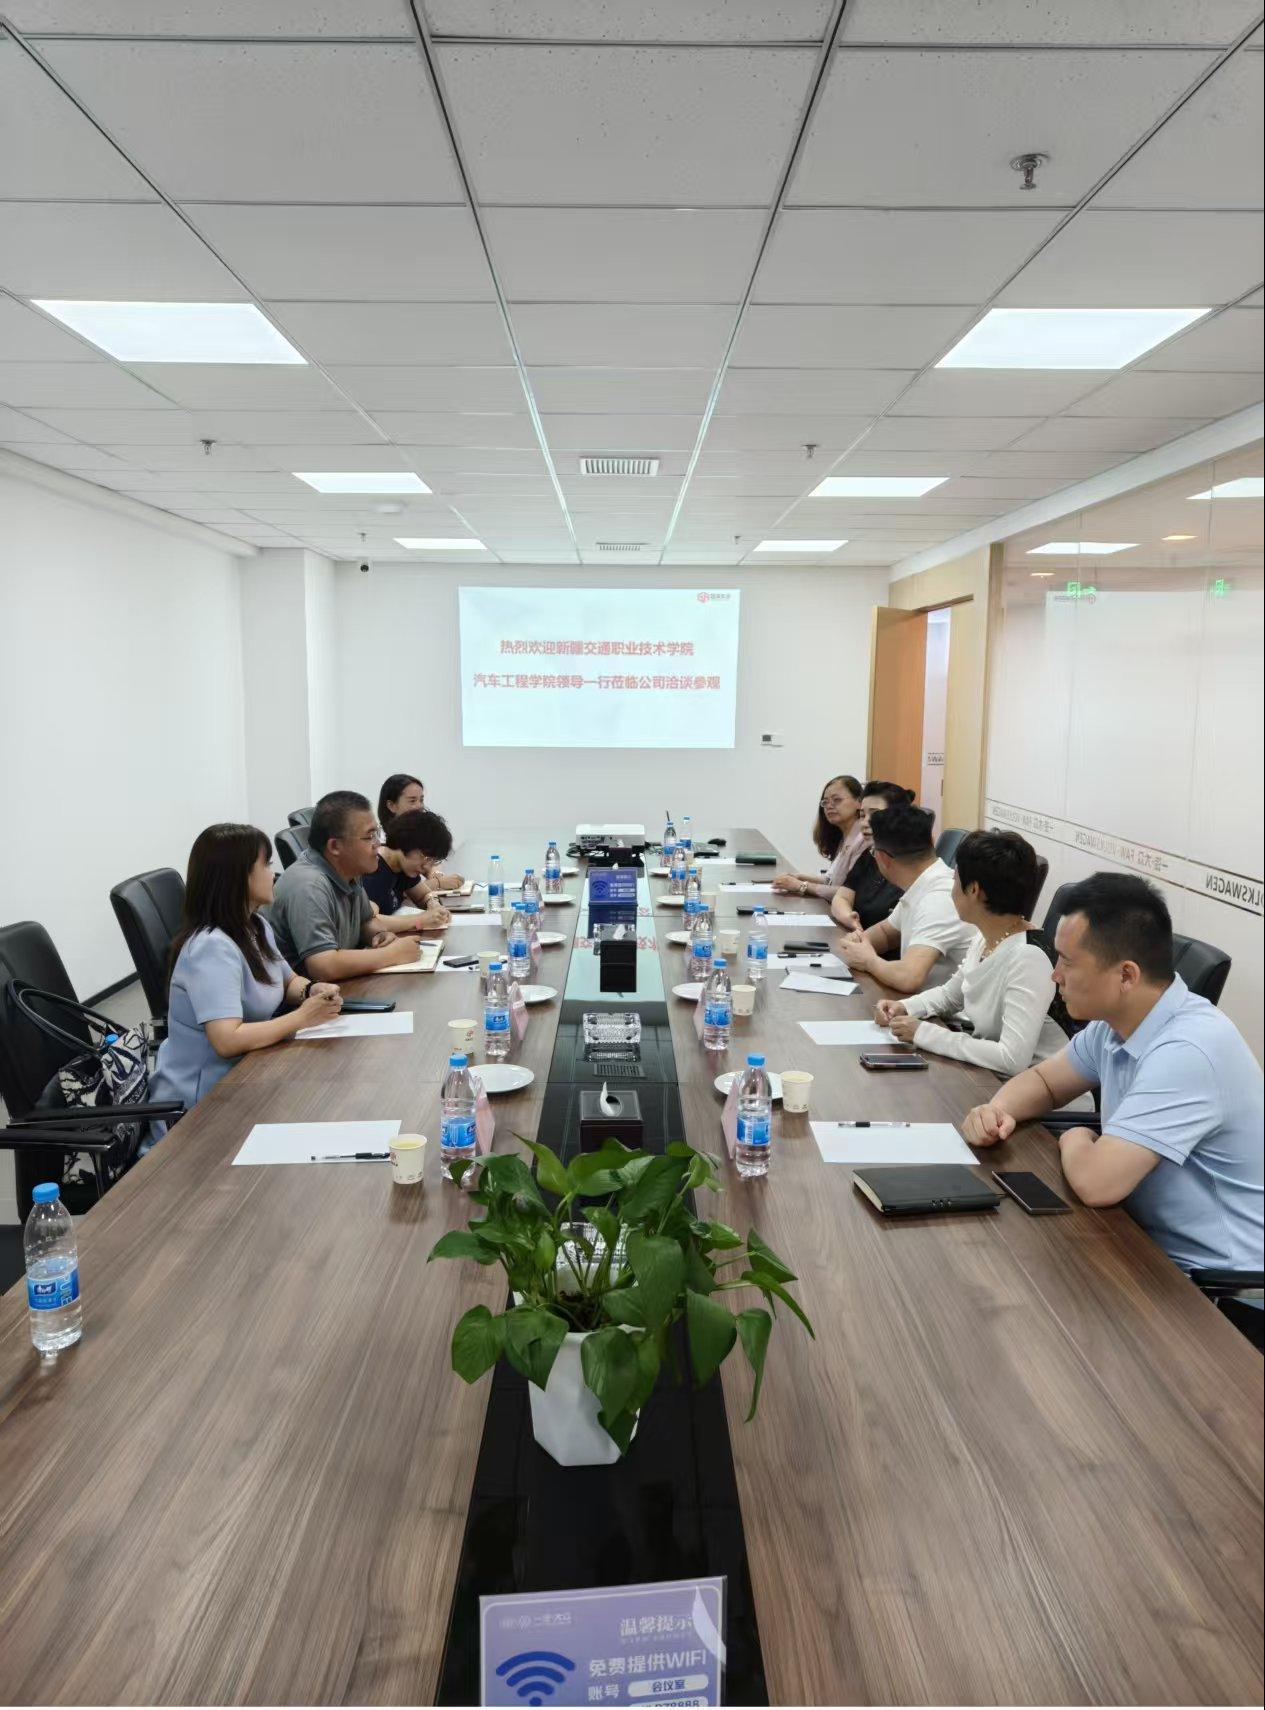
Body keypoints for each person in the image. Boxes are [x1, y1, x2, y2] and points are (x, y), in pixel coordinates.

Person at [963, 872, 1263, 1275]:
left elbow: (1096, 1183)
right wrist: (996, 1112)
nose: (1055, 974)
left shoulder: (1188, 1050)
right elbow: (1044, 1082)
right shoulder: (1115, 1023)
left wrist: (1076, 1137)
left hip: (1215, 1284)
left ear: (1126, 975)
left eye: (1067, 961)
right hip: (1140, 1241)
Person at [148, 824, 344, 1131]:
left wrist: (312, 990)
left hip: (248, 1076)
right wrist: (302, 1018)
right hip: (201, 1109)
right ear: (238, 877)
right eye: (265, 865)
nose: (273, 874)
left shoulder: (254, 926)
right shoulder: (211, 947)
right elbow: (227, 1040)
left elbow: (287, 981)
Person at [874, 829, 1078, 1078]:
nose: (951, 891)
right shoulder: (986, 937)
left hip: (1037, 1093)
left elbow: (1011, 1059)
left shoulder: (1028, 958)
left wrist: (924, 1033)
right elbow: (950, 996)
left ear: (974, 890)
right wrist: (905, 1007)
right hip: (991, 1078)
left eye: (955, 881)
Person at [267, 790, 428, 980]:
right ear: (335, 846)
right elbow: (323, 966)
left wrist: (380, 935)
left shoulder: (349, 871)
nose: (378, 844)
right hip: (308, 994)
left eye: (376, 833)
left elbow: (366, 922)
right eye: (369, 837)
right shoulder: (310, 885)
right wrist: (392, 954)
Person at [836, 802, 977, 991]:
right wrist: (858, 942)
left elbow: (909, 978)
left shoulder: (939, 899)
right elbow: (887, 934)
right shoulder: (923, 883)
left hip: (942, 1009)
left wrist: (868, 960)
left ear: (883, 858)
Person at [828, 780, 913, 932]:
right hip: (860, 937)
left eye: (874, 814)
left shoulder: (910, 863)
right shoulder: (870, 854)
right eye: (862, 815)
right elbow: (841, 897)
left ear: (898, 816)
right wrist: (849, 917)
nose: (865, 823)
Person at [772, 774, 866, 900]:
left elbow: (850, 892)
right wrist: (799, 877)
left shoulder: (863, 838)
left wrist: (801, 886)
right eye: (825, 802)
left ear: (859, 802)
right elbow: (831, 880)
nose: (829, 806)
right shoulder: (844, 835)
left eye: (837, 800)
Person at [363, 808, 456, 924]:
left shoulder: (403, 867)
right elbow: (370, 922)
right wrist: (421, 920)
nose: (427, 867)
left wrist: (433, 904)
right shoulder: (374, 869)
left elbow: (423, 895)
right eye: (426, 858)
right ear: (407, 842)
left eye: (433, 861)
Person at [377, 773, 463, 891]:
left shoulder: (417, 833)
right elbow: (400, 890)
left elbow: (431, 863)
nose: (419, 806)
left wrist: (435, 874)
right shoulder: (379, 842)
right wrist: (437, 883)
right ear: (391, 805)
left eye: (421, 800)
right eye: (412, 801)